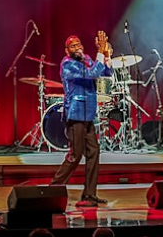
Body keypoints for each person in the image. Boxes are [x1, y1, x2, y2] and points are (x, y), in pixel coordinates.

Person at [50, 32, 113, 207]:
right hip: (76, 114)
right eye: (73, 46)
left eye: (79, 44)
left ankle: (89, 195)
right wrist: (100, 53)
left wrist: (107, 55)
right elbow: (92, 73)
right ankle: (52, 190)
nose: (77, 48)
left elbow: (105, 73)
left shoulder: (86, 59)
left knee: (94, 151)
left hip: (88, 114)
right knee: (75, 155)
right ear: (66, 50)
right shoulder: (67, 64)